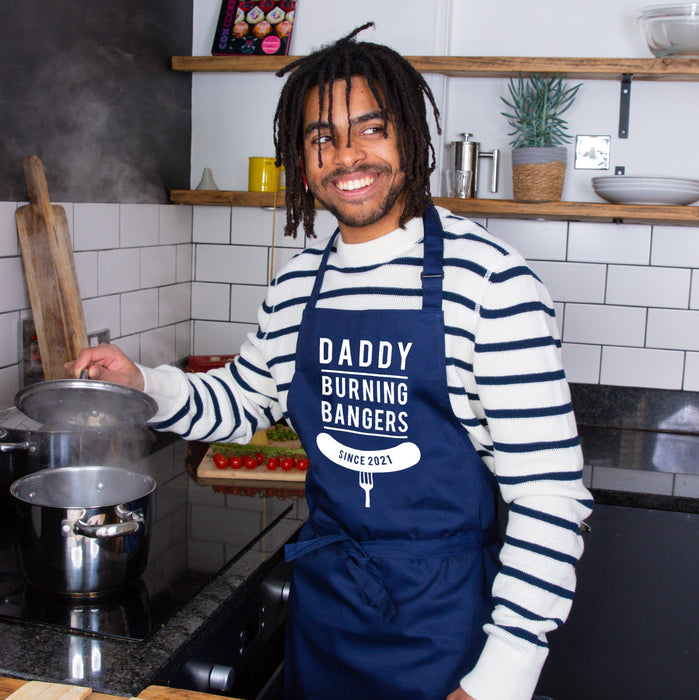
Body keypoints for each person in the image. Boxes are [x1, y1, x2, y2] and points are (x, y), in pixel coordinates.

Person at [68, 23, 593, 700]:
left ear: (410, 134)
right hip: (327, 611)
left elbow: (551, 500)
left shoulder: (490, 283)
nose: (347, 156)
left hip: (445, 627)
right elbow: (246, 399)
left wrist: (501, 679)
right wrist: (144, 385)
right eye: (322, 138)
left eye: (371, 129)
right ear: (301, 157)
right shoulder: (297, 285)